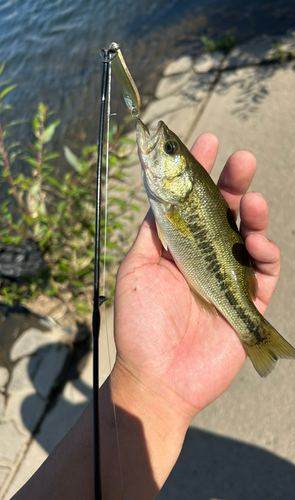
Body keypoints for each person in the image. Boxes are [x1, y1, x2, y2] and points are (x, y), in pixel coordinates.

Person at [12, 133, 280, 500]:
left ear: (181, 178)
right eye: (172, 148)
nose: (162, 144)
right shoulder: (172, 200)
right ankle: (255, 334)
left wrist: (151, 394)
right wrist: (149, 389)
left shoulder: (174, 202)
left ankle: (256, 334)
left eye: (169, 149)